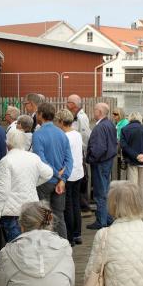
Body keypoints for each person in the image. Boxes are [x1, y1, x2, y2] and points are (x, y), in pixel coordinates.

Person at [0, 202, 79, 286]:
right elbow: (70, 285)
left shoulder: (8, 252)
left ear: (21, 226)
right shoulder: (64, 248)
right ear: (50, 221)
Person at [0, 130, 53, 241]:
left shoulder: (6, 161)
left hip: (11, 212)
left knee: (15, 246)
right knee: (30, 243)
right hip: (30, 208)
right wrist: (33, 183)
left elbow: (2, 191)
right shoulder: (33, 158)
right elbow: (48, 173)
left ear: (7, 143)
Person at [32, 102, 73, 239]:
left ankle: (46, 246)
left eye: (37, 113)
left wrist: (56, 174)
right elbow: (69, 160)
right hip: (59, 183)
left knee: (44, 215)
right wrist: (63, 179)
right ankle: (64, 246)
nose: (36, 115)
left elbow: (41, 160)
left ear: (41, 115)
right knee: (59, 215)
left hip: (45, 181)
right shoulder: (62, 134)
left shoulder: (38, 135)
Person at [86, 103, 118, 230]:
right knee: (105, 190)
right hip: (108, 161)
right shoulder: (110, 124)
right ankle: (108, 218)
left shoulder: (100, 127)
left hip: (100, 162)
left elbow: (99, 148)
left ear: (99, 112)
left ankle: (101, 220)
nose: (93, 112)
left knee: (100, 192)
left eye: (94, 110)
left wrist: (90, 159)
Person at [56, 109, 84, 246]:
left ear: (61, 122)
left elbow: (63, 157)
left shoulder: (64, 137)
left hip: (68, 174)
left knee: (68, 206)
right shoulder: (77, 135)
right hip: (78, 172)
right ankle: (77, 234)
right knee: (76, 203)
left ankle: (70, 236)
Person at [120, 111, 143, 209]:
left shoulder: (124, 129)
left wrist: (135, 155)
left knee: (133, 185)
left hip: (132, 161)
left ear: (130, 119)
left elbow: (124, 146)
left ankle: (133, 206)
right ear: (140, 118)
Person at [66, 94, 91, 211]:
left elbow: (85, 135)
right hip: (76, 151)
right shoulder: (75, 116)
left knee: (82, 178)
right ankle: (81, 204)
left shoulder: (81, 117)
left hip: (80, 152)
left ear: (74, 105)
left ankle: (84, 205)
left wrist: (82, 151)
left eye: (68, 102)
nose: (66, 104)